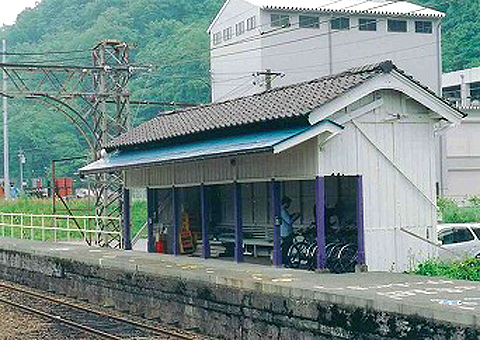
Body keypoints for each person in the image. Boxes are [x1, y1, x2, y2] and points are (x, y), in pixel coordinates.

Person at [280, 196, 301, 264]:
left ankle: (285, 261)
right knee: (286, 248)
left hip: (283, 232)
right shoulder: (283, 211)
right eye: (288, 203)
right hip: (286, 232)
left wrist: (292, 215)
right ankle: (285, 261)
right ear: (285, 203)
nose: (289, 205)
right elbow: (289, 221)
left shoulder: (281, 210)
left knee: (285, 247)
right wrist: (296, 216)